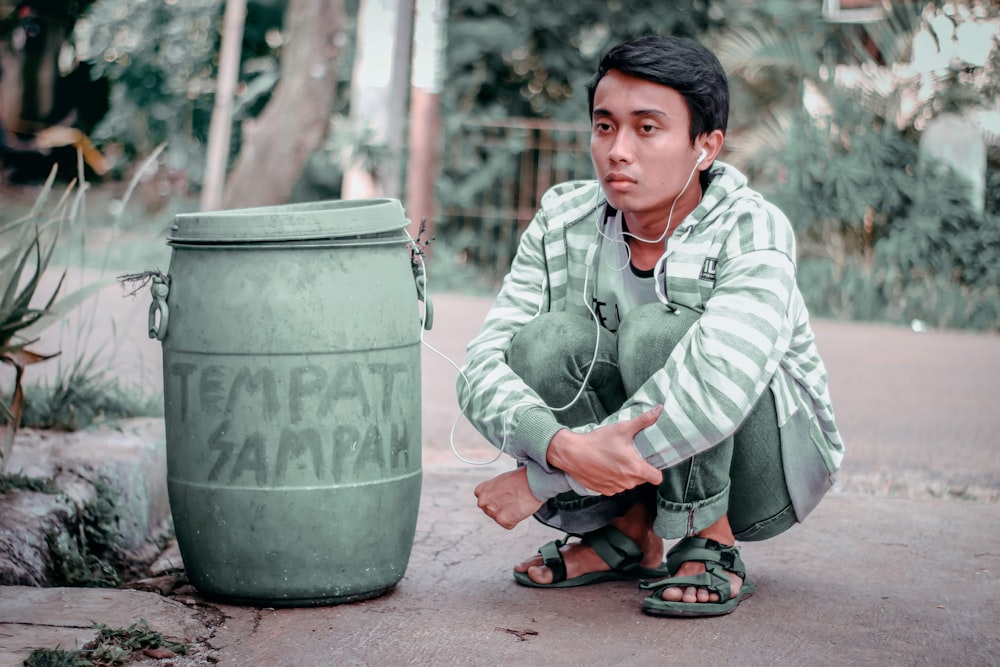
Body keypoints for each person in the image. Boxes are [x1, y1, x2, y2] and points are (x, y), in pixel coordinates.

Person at [456, 34, 844, 617]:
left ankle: (707, 538)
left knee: (657, 333)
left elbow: (719, 388)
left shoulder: (753, 228)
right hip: (622, 467)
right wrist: (558, 446)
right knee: (544, 341)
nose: (617, 151)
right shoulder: (561, 221)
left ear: (705, 146)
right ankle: (634, 533)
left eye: (647, 128)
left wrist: (546, 479)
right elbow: (481, 365)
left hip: (762, 474)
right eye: (605, 125)